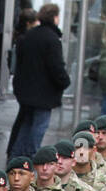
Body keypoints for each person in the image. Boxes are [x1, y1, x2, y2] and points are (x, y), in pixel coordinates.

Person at [10, 5, 71, 160]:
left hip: (26, 90)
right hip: (44, 93)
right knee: (39, 126)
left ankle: (17, 156)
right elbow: (56, 67)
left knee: (26, 124)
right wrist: (65, 81)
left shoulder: (29, 36)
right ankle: (31, 157)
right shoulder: (52, 40)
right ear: (55, 18)